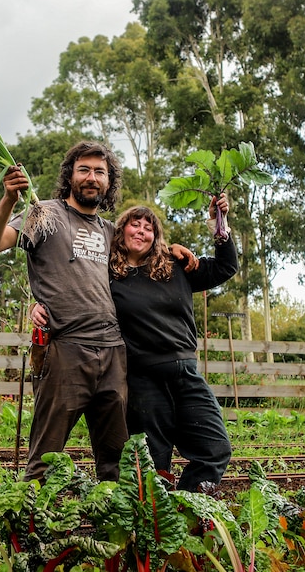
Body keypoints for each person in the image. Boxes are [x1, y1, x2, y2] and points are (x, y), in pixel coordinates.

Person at [0, 140, 196, 483]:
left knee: (116, 458)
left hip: (113, 353)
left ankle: (113, 529)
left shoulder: (111, 232)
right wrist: (8, 200)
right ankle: (32, 527)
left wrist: (173, 250)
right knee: (46, 456)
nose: (91, 177)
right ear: (70, 176)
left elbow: (144, 257)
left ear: (109, 182)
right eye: (84, 169)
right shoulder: (43, 214)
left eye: (100, 171)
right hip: (67, 349)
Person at [108, 195, 236, 492]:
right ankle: (156, 524)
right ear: (120, 232)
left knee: (215, 448)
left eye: (148, 227)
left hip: (186, 373)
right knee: (154, 461)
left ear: (156, 236)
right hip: (143, 380)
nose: (141, 230)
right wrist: (41, 305)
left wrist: (219, 224)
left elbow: (225, 267)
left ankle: (187, 508)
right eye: (134, 224)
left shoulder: (175, 266)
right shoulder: (109, 278)